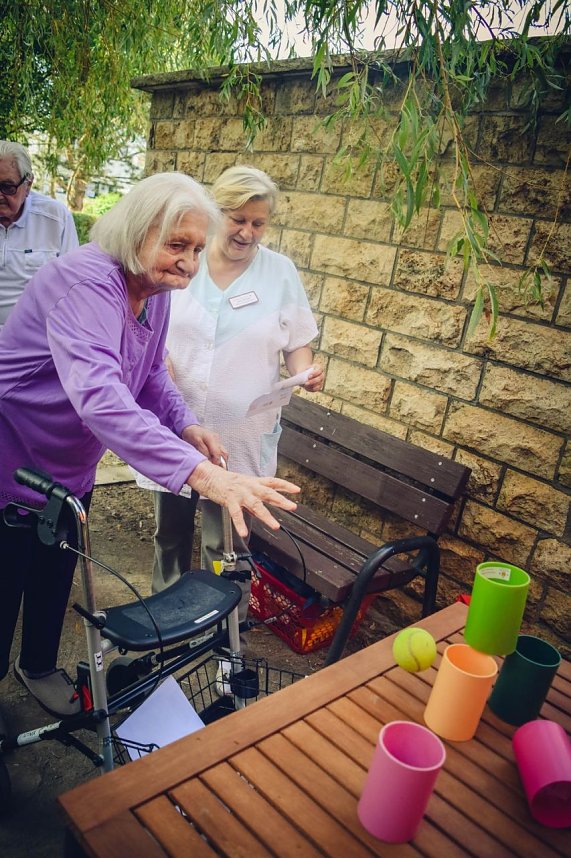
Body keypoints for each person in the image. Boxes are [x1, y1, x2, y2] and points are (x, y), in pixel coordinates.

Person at [0, 171, 300, 719]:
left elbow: (149, 375)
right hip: (11, 464)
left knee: (53, 573)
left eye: (195, 248)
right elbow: (104, 398)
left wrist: (184, 425)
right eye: (176, 245)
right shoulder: (87, 284)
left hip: (69, 470)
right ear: (136, 232)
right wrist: (204, 475)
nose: (188, 262)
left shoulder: (153, 290)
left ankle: (39, 667)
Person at [134, 165, 324, 618]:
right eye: (238, 219)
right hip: (177, 424)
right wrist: (155, 357)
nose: (247, 232)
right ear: (216, 213)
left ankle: (222, 630)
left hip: (241, 431)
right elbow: (144, 323)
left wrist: (308, 371)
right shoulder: (184, 262)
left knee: (229, 542)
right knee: (171, 532)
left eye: (258, 223)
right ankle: (166, 617)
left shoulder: (280, 273)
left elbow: (298, 342)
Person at [0, 141, 78, 328]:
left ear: (28, 185)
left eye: (7, 187)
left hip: (33, 337)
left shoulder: (55, 218)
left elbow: (73, 284)